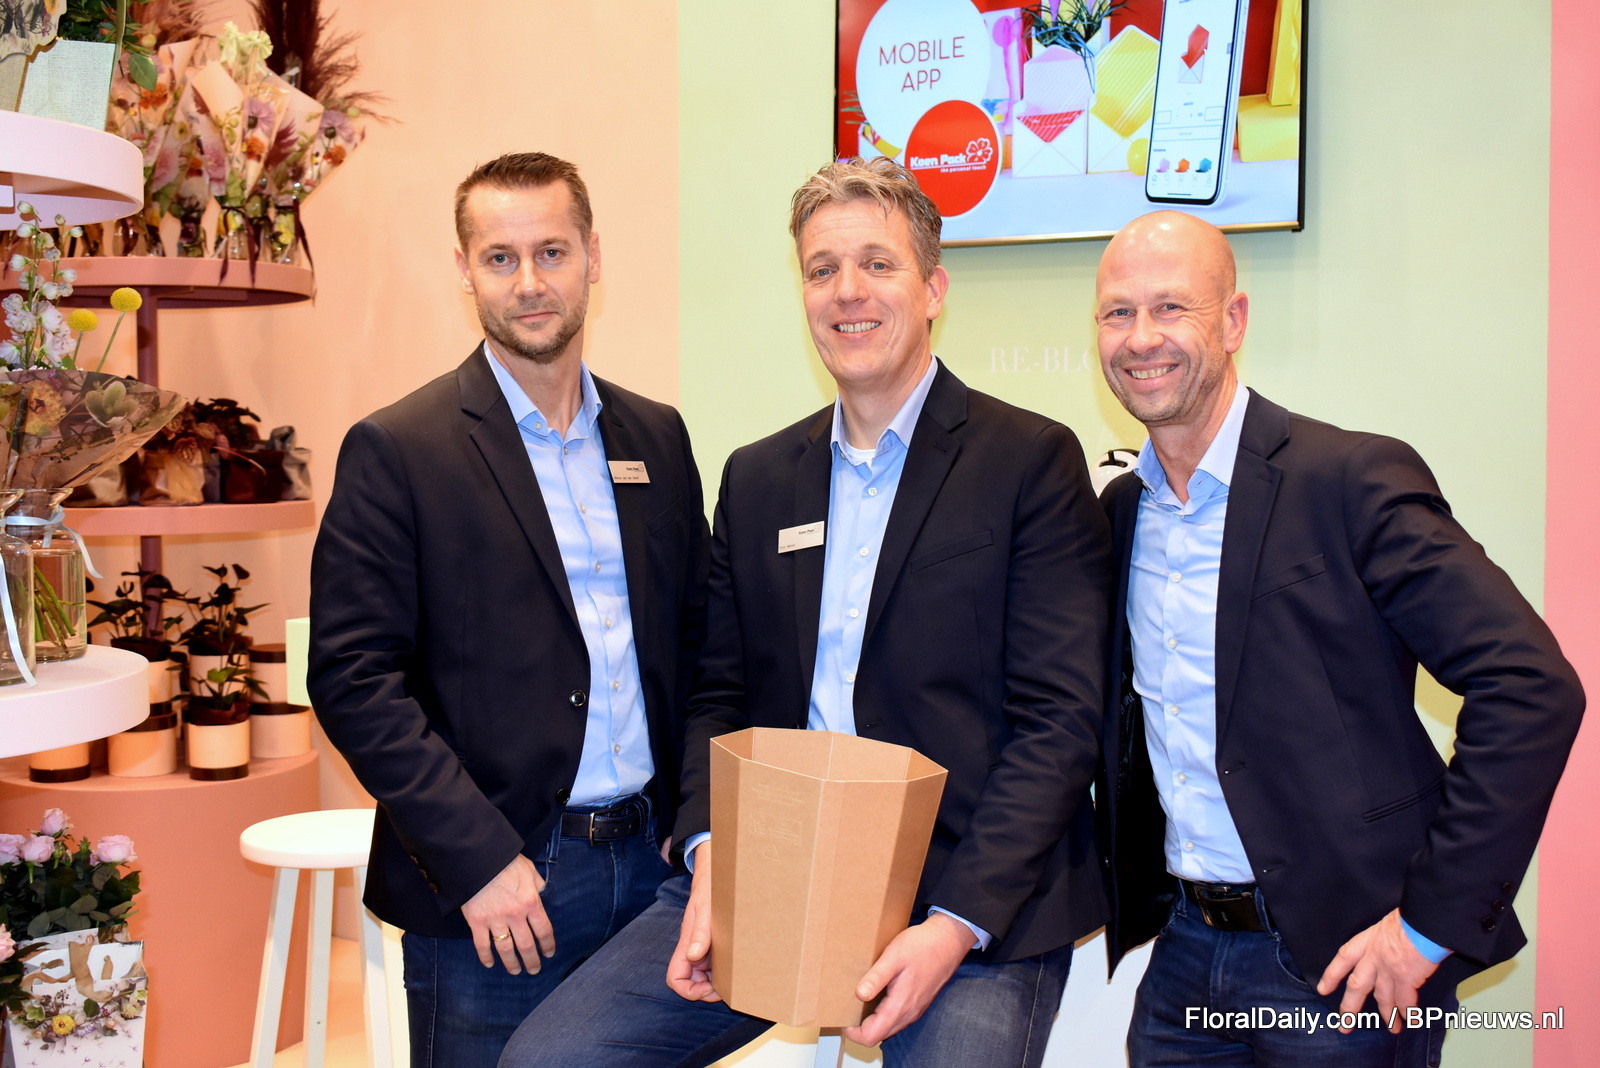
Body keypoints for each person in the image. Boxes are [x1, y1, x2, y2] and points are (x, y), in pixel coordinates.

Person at [499, 157, 1112, 1067]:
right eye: (822, 269)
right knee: (548, 1060)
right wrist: (711, 850)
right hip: (773, 874)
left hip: (971, 896)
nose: (847, 291)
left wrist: (952, 927)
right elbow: (719, 695)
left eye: (878, 264)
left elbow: (1060, 723)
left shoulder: (1029, 461)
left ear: (934, 289)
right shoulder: (759, 480)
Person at [1092, 210, 1585, 1066]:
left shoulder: (1348, 480)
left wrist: (1428, 928)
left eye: (1171, 307)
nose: (1141, 338)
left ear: (1233, 321)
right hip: (1183, 959)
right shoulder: (1120, 514)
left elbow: (1530, 684)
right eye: (1117, 313)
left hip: (1341, 963)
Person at [308, 152, 709, 1066]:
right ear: (465, 270)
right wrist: (477, 858)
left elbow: (698, 646)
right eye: (500, 258)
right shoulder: (399, 450)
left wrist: (696, 829)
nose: (530, 282)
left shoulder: (656, 437)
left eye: (552, 252)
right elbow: (353, 678)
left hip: (653, 867)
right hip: (502, 886)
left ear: (594, 257)